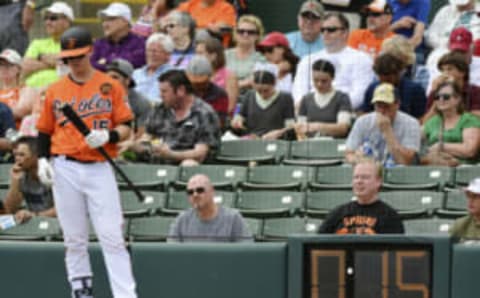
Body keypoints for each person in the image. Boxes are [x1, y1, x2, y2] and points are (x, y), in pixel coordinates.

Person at [35, 26, 137, 298]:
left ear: (90, 51)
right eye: (69, 57)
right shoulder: (55, 90)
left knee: (112, 237)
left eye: (78, 56)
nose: (74, 62)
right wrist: (43, 160)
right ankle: (81, 291)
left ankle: (126, 294)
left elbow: (127, 126)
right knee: (74, 237)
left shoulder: (109, 85)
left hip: (99, 166)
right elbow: (44, 130)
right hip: (65, 165)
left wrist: (109, 135)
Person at [133, 69, 221, 165]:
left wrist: (171, 154)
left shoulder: (204, 113)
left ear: (181, 90)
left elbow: (200, 153)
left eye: (164, 91)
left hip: (189, 167)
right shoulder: (160, 109)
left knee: (189, 164)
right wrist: (137, 145)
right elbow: (149, 137)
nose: (160, 95)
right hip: (157, 164)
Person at [293, 12, 374, 109]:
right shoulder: (307, 60)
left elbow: (359, 95)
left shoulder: (361, 59)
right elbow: (298, 92)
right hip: (310, 113)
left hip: (343, 113)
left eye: (331, 30)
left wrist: (331, 109)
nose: (325, 33)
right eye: (322, 30)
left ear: (345, 33)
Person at [319, 158, 405, 234]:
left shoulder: (390, 217)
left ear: (378, 181)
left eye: (365, 177)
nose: (359, 181)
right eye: (356, 177)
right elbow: (317, 245)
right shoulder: (337, 214)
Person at [345, 83, 421, 167]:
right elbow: (349, 154)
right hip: (368, 170)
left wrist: (387, 132)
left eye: (386, 106)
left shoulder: (411, 124)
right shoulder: (362, 122)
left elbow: (405, 161)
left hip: (399, 174)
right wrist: (359, 159)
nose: (382, 111)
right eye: (378, 106)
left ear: (397, 104)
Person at [168, 174, 252, 242]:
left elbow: (247, 252)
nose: (195, 195)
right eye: (190, 192)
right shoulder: (182, 220)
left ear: (212, 191)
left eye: (200, 190)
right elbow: (171, 254)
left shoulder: (233, 218)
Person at [422, 81, 480, 165]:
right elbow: (416, 142)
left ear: (457, 99)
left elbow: (470, 150)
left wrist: (441, 146)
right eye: (437, 97)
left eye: (446, 97)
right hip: (435, 168)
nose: (441, 100)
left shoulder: (468, 120)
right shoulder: (433, 121)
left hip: (463, 169)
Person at [230, 66, 295, 140]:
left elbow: (290, 126)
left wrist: (279, 133)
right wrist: (237, 121)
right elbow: (240, 116)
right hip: (251, 139)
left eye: (266, 90)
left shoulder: (285, 98)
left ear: (274, 84)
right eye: (259, 91)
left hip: (275, 140)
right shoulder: (249, 95)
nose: (262, 94)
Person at [3, 136, 56, 224]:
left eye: (22, 155)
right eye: (15, 155)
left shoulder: (51, 174)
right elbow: (9, 211)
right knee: (3, 225)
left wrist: (34, 215)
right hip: (33, 222)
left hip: (57, 225)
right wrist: (15, 183)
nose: (17, 159)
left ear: (36, 156)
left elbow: (62, 210)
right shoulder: (21, 175)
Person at [22, 1, 74, 88]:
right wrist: (57, 63)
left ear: (66, 22)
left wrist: (40, 59)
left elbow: (73, 69)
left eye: (53, 18)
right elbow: (25, 67)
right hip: (31, 92)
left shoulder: (76, 44)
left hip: (59, 94)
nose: (48, 22)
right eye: (46, 18)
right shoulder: (37, 43)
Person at [296, 59, 352, 138]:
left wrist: (317, 126)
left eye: (324, 81)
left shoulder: (342, 98)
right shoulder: (306, 99)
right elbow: (300, 129)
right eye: (316, 80)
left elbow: (343, 128)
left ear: (332, 78)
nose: (319, 84)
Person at [360, 52, 426, 118]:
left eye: (389, 76)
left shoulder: (415, 90)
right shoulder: (372, 88)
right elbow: (365, 114)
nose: (385, 79)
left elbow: (421, 118)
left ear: (399, 73)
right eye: (381, 75)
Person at [423, 51, 480, 122]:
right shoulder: (436, 91)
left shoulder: (475, 91)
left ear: (462, 72)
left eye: (449, 69)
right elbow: (426, 121)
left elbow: (477, 116)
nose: (445, 73)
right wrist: (437, 98)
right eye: (442, 70)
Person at [426, 0, 480, 73]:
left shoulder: (478, 13)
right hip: (442, 51)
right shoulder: (445, 11)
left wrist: (463, 46)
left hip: (469, 53)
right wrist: (448, 44)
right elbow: (430, 36)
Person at [91, 2, 146, 71]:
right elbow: (91, 66)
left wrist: (106, 61)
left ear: (125, 21)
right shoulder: (99, 44)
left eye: (111, 19)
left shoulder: (139, 43)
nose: (105, 24)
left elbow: (133, 64)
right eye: (104, 20)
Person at [106, 58, 151, 135]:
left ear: (127, 81)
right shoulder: (99, 99)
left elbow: (141, 134)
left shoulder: (141, 102)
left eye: (115, 77)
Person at [195, 37, 239, 113]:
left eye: (200, 53)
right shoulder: (195, 75)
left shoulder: (229, 77)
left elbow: (230, 107)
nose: (196, 57)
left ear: (213, 56)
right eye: (196, 53)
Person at [185, 55, 228, 130]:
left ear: (210, 77)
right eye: (194, 84)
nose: (198, 87)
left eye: (202, 83)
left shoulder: (219, 95)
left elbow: (218, 123)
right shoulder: (181, 93)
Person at [225, 14, 266, 91]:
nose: (245, 34)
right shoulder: (224, 55)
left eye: (251, 32)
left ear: (257, 35)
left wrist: (232, 85)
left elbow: (254, 82)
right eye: (241, 31)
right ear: (235, 34)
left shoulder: (262, 59)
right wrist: (244, 83)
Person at [0, 48, 38, 127]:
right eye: (1, 65)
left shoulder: (26, 90)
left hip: (13, 134)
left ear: (18, 69)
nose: (3, 69)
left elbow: (21, 111)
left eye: (8, 65)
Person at [132, 32, 174, 103]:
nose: (151, 54)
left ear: (168, 55)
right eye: (149, 50)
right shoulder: (135, 73)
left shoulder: (173, 74)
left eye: (155, 51)